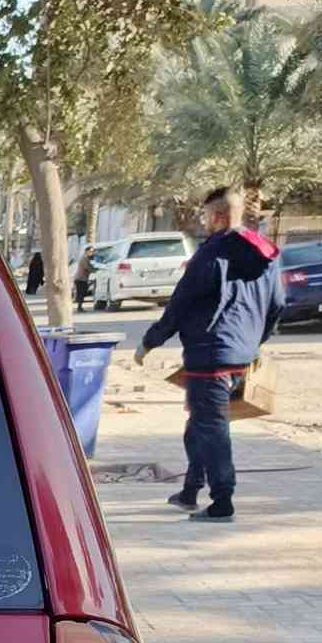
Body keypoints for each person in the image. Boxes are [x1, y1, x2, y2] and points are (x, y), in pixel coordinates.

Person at [137, 187, 281, 523]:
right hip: (241, 356)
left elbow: (180, 304)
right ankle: (190, 490)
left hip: (210, 356)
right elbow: (277, 305)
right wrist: (255, 342)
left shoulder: (211, 254)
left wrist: (150, 342)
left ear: (217, 216)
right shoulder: (268, 254)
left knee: (213, 430)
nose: (203, 222)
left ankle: (222, 503)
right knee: (199, 427)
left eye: (204, 216)